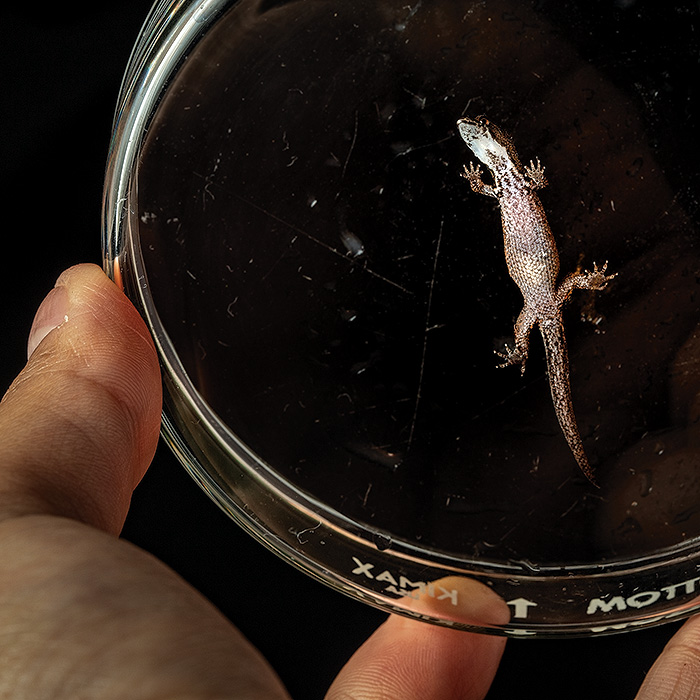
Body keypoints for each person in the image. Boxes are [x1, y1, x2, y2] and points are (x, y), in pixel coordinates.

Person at [0, 262, 696, 699]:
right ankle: (557, 406)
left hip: (547, 294)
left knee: (558, 369)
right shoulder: (508, 187)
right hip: (544, 296)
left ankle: (565, 413)